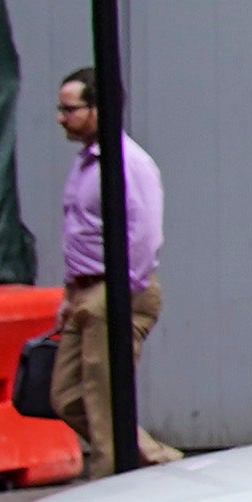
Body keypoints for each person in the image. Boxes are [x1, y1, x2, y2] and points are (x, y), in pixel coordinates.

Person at [55, 69, 175, 471]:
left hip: (115, 288)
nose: (60, 117)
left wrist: (121, 291)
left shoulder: (128, 163)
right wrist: (71, 292)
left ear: (99, 109)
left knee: (103, 401)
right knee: (67, 395)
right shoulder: (86, 162)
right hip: (85, 289)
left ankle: (108, 489)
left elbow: (144, 234)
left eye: (69, 109)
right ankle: (156, 460)